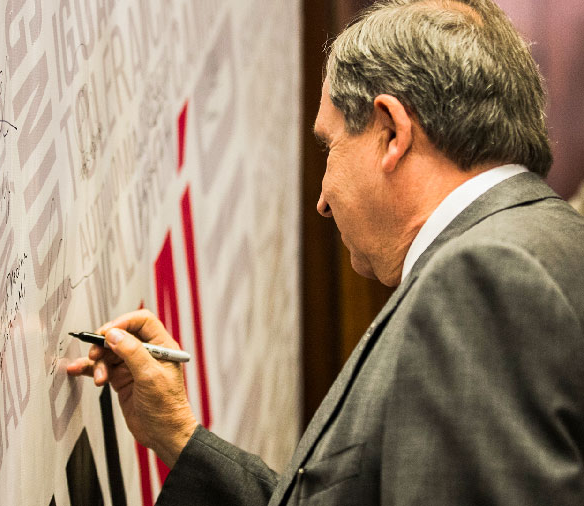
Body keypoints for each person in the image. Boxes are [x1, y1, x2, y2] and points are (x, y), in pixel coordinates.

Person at [67, 0, 584, 504]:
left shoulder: (481, 279)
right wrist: (180, 436)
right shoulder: (546, 243)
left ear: (390, 133)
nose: (321, 201)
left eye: (329, 147)